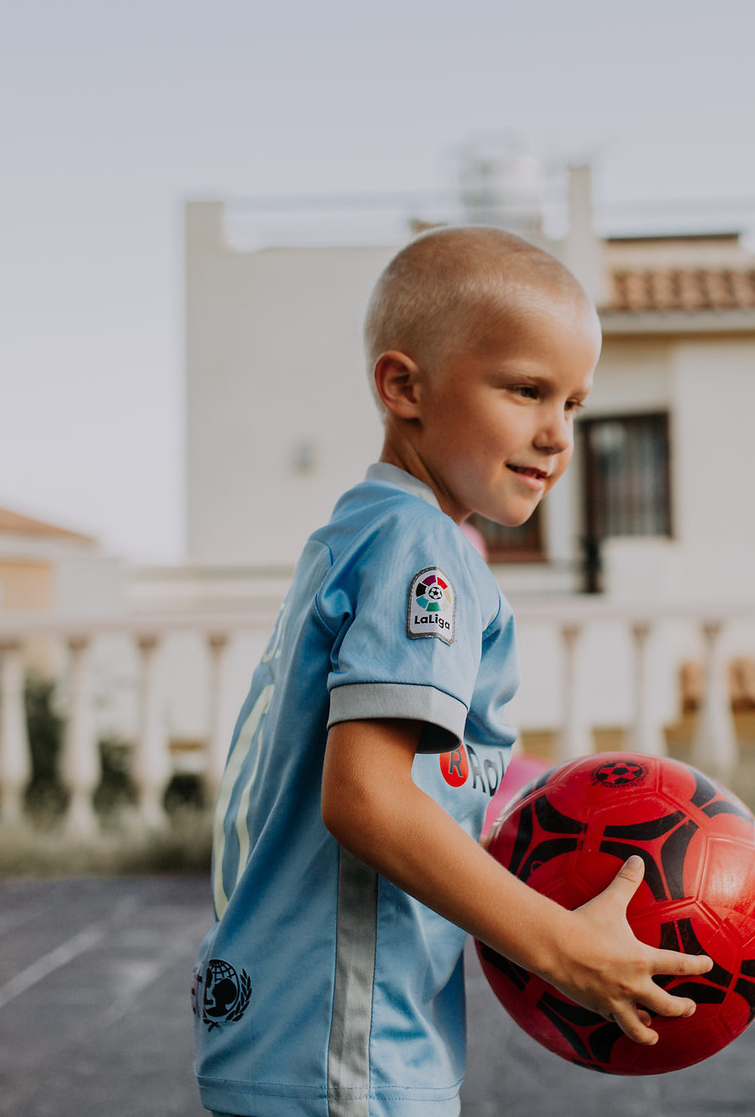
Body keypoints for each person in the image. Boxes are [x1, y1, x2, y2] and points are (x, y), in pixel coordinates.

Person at [192, 226, 713, 1117]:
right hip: (347, 1044)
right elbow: (364, 797)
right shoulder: (422, 548)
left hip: (296, 1028)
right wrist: (562, 947)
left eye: (575, 405)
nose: (556, 435)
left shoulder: (359, 532)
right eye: (525, 390)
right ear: (404, 387)